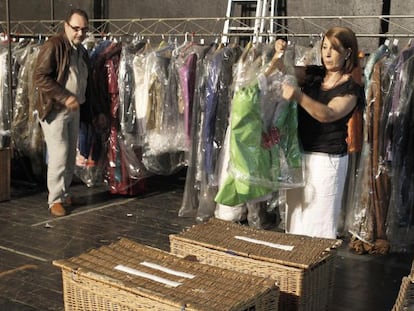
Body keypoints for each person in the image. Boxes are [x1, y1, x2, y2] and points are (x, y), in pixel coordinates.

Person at [277, 27, 364, 239]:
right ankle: (294, 268)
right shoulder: (314, 74)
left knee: (319, 228)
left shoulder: (352, 88)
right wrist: (279, 53)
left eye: (333, 49)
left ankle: (315, 269)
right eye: (324, 47)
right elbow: (283, 70)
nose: (326, 54)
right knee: (295, 221)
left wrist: (298, 96)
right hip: (300, 156)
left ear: (348, 53)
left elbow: (328, 114)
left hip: (327, 161)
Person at [33, 9, 103, 217]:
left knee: (71, 153)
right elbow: (40, 77)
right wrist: (65, 97)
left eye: (84, 29)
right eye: (76, 28)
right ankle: (54, 199)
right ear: (66, 26)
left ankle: (63, 193)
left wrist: (93, 111)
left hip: (74, 109)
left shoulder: (81, 51)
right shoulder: (54, 45)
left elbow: (85, 84)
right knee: (60, 154)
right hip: (55, 109)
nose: (80, 33)